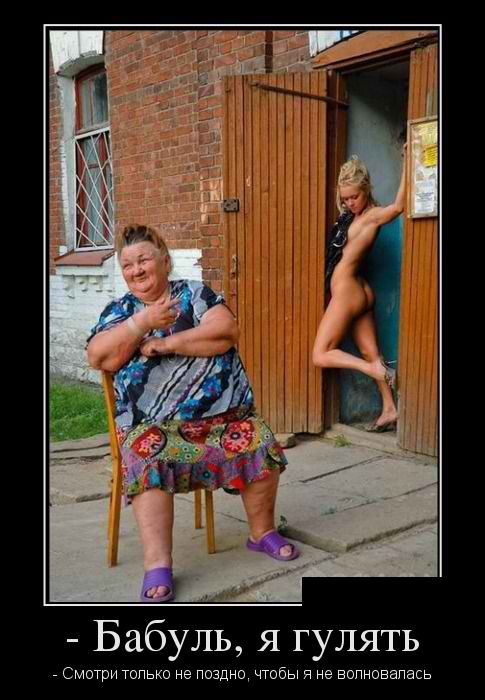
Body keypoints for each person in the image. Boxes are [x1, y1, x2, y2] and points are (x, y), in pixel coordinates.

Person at [86, 224, 299, 602]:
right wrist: (141, 323)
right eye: (128, 265)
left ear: (165, 261)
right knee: (146, 454)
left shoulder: (196, 294)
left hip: (223, 419)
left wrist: (165, 344)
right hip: (153, 426)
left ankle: (261, 532)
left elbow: (225, 332)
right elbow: (99, 356)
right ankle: (157, 565)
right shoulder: (120, 311)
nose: (136, 270)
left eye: (143, 260)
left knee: (259, 438)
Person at [312, 147, 407, 432]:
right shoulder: (349, 217)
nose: (350, 202)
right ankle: (389, 408)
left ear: (366, 190)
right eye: (345, 198)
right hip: (360, 290)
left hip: (348, 292)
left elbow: (398, 207)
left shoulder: (372, 216)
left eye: (355, 196)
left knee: (320, 354)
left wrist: (408, 160)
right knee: (370, 352)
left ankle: (376, 371)